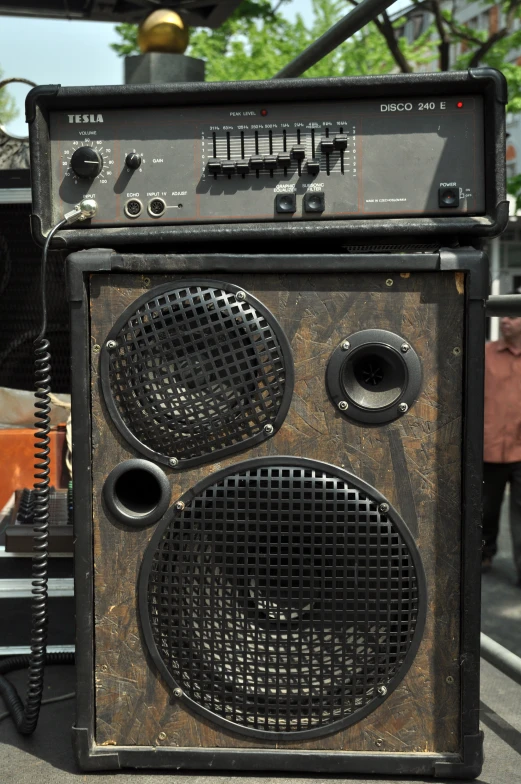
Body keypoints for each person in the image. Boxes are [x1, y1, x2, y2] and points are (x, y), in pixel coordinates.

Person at [483, 308, 521, 584]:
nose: (505, 320)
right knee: (486, 509)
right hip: (489, 447)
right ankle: (484, 553)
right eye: (503, 315)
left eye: (513, 315)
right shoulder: (485, 354)